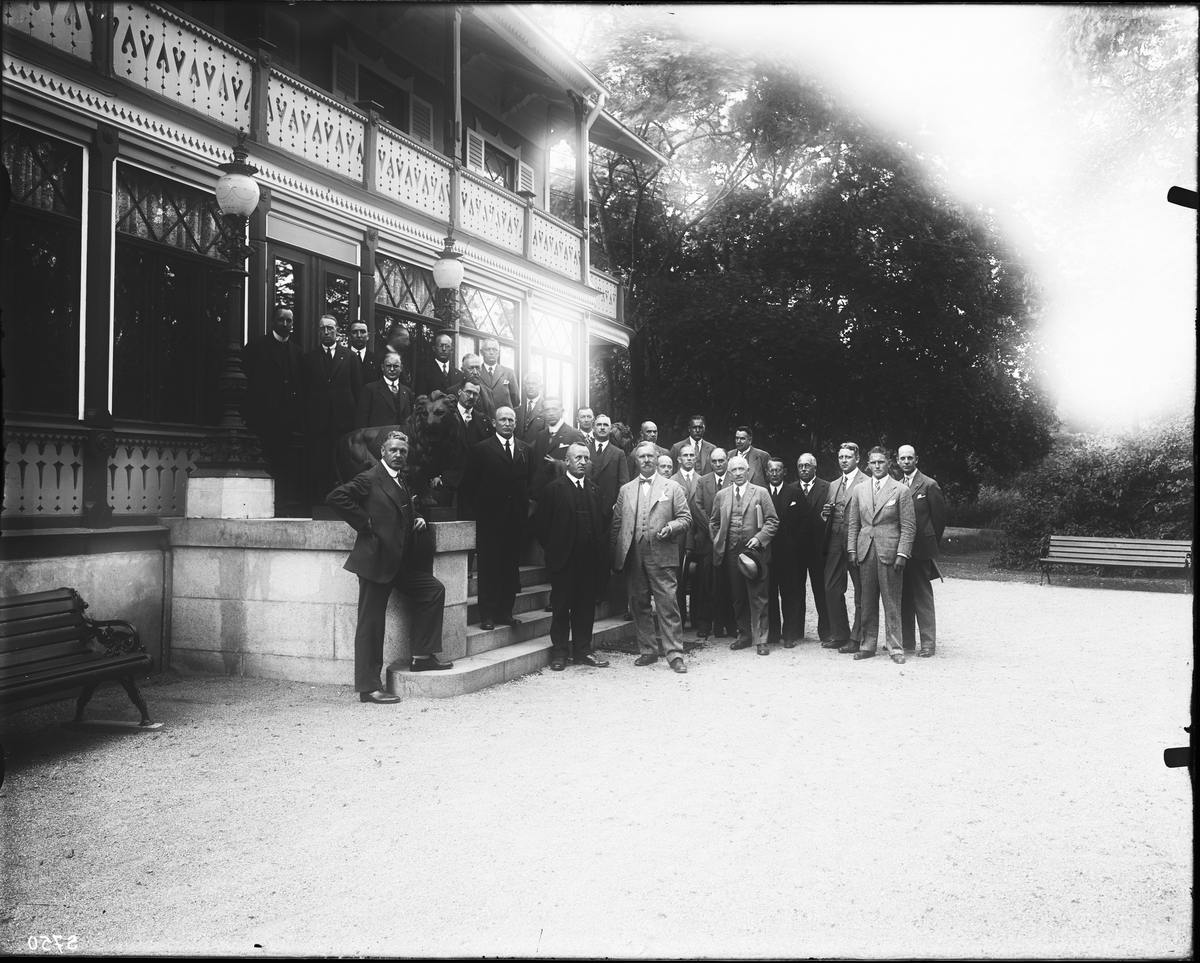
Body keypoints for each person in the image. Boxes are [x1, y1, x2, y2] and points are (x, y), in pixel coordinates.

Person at [326, 430, 451, 703]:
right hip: (375, 562)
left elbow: (398, 507)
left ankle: (422, 656)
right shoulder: (370, 477)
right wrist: (364, 522)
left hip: (399, 562)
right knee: (371, 625)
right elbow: (337, 497)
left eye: (403, 451)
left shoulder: (401, 479)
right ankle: (369, 687)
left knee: (433, 591)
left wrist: (417, 517)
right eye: (393, 450)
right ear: (382, 451)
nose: (398, 455)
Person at [610, 442, 692, 673]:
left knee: (668, 604)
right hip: (633, 554)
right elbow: (617, 525)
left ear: (657, 458)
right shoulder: (626, 490)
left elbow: (686, 519)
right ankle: (647, 650)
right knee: (638, 603)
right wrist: (616, 554)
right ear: (636, 461)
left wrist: (671, 527)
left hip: (662, 553)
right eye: (642, 457)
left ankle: (675, 654)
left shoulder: (672, 487)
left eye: (650, 456)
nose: (646, 460)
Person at [536, 442, 612, 671]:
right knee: (561, 607)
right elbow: (542, 528)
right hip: (564, 559)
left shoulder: (594, 490)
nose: (582, 462)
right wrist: (554, 551)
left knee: (585, 607)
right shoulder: (553, 489)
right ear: (567, 461)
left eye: (586, 458)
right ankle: (560, 653)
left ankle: (582, 651)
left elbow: (600, 524)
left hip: (589, 559)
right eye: (578, 458)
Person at [459, 406, 533, 631]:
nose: (507, 423)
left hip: (515, 519)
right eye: (503, 420)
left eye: (511, 420)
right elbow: (468, 486)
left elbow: (527, 482)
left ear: (516, 423)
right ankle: (488, 614)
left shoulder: (525, 449)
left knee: (510, 567)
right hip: (489, 520)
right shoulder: (481, 449)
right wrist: (475, 517)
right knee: (489, 567)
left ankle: (505, 612)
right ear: (494, 423)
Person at [846, 446, 915, 664]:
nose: (877, 466)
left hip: (890, 552)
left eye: (881, 462)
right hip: (865, 551)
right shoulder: (860, 489)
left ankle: (896, 648)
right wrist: (852, 550)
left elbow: (908, 526)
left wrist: (902, 553)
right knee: (866, 601)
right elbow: (853, 524)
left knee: (892, 601)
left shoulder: (900, 490)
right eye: (873, 462)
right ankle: (867, 645)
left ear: (889, 463)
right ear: (868, 465)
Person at [710, 453, 779, 655]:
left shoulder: (761, 493)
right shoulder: (721, 495)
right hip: (732, 552)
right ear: (729, 473)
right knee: (738, 596)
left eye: (742, 469)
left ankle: (761, 639)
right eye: (734, 470)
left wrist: (759, 538)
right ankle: (744, 635)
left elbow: (773, 521)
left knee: (758, 596)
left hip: (756, 552)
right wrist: (719, 541)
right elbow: (714, 522)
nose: (738, 473)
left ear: (748, 471)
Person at [241, 306, 302, 516]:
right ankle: (258, 507)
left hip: (286, 419)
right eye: (281, 320)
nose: (285, 324)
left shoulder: (296, 351)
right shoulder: (257, 347)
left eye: (289, 321)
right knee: (261, 461)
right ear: (272, 321)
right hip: (261, 417)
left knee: (282, 463)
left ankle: (280, 507)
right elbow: (246, 381)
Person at [300, 314, 362, 507]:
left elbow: (357, 390)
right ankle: (321, 504)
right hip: (318, 422)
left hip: (343, 422)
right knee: (320, 464)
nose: (326, 332)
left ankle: (342, 504)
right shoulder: (309, 358)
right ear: (319, 332)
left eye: (330, 328)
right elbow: (304, 391)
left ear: (337, 331)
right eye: (322, 329)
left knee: (342, 464)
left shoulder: (350, 357)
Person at [897, 444, 946, 657]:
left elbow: (939, 520)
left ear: (916, 459)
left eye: (910, 458)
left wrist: (927, 543)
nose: (906, 462)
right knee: (903, 596)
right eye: (902, 458)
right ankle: (907, 641)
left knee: (922, 597)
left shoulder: (929, 485)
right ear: (897, 461)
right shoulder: (897, 485)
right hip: (901, 550)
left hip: (920, 550)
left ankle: (928, 644)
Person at [821, 442, 868, 653]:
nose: (844, 460)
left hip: (857, 541)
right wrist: (825, 514)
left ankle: (857, 638)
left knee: (861, 590)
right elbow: (829, 513)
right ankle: (839, 634)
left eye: (848, 457)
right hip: (835, 539)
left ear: (857, 459)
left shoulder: (866, 482)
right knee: (831, 587)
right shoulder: (833, 485)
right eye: (841, 457)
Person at [784, 453, 832, 644]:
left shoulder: (827, 487)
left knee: (821, 589)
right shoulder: (790, 489)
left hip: (818, 548)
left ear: (815, 468)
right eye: (800, 466)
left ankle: (826, 631)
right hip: (796, 549)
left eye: (807, 466)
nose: (803, 469)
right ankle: (796, 630)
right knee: (795, 589)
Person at [692, 447, 736, 639]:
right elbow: (697, 507)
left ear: (727, 461)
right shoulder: (703, 481)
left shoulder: (734, 479)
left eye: (721, 460)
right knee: (705, 583)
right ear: (710, 462)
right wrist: (714, 532)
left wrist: (724, 533)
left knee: (729, 583)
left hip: (730, 540)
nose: (718, 464)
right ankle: (705, 623)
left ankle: (730, 624)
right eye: (714, 461)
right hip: (707, 542)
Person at [435, 379, 491, 512]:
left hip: (472, 481)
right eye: (468, 392)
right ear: (460, 392)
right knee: (444, 516)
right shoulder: (445, 416)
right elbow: (436, 447)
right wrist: (436, 474)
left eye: (475, 394)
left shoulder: (482, 420)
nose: (471, 397)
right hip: (447, 478)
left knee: (469, 518)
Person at [764, 457, 801, 647]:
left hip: (788, 552)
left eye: (778, 470)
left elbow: (804, 521)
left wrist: (793, 544)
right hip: (768, 551)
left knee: (789, 594)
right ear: (766, 472)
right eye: (771, 470)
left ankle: (789, 634)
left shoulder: (795, 493)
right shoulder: (761, 493)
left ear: (784, 472)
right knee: (769, 593)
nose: (774, 473)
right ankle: (772, 633)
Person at [670, 444, 702, 629]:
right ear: (679, 459)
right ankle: (679, 619)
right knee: (677, 579)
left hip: (699, 535)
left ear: (696, 459)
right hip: (678, 537)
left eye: (692, 455)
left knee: (698, 578)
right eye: (685, 455)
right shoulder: (671, 481)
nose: (689, 458)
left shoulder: (702, 480)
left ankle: (697, 619)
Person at [530, 396, 585, 500]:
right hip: (541, 497)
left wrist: (558, 464)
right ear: (543, 412)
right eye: (547, 410)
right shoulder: (541, 436)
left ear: (562, 411)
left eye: (554, 409)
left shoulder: (574, 434)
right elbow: (535, 467)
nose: (551, 413)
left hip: (564, 496)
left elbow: (585, 466)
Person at [354, 351, 413, 429]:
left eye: (396, 366)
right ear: (382, 367)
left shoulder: (407, 392)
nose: (392, 369)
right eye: (388, 366)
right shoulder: (370, 389)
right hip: (377, 436)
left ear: (401, 368)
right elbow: (362, 422)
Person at [585, 414, 629, 512]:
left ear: (610, 429)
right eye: (599, 425)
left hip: (609, 508)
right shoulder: (584, 450)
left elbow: (623, 482)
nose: (602, 427)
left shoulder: (619, 453)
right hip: (586, 505)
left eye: (605, 425)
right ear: (593, 428)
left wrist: (619, 504)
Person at [415, 332, 462, 398]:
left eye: (447, 346)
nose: (444, 349)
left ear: (452, 350)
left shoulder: (459, 375)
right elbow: (421, 400)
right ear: (434, 348)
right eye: (440, 345)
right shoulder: (424, 373)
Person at [478, 337, 519, 411]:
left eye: (495, 350)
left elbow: (515, 401)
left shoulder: (509, 373)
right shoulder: (477, 373)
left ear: (499, 353)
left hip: (504, 416)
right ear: (481, 352)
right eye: (487, 349)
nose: (491, 352)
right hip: (483, 416)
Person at [460, 352, 495, 423]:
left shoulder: (488, 392)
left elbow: (492, 417)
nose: (475, 372)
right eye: (471, 368)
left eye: (478, 368)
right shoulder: (453, 391)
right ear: (462, 370)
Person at [515, 371, 546, 446]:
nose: (530, 386)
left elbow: (547, 435)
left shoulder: (546, 408)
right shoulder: (516, 411)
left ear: (540, 387)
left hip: (538, 450)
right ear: (523, 386)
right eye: (528, 383)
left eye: (534, 384)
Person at [347, 320, 380, 386]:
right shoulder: (342, 358)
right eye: (355, 332)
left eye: (362, 332)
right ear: (349, 336)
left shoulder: (377, 360)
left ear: (368, 336)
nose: (359, 335)